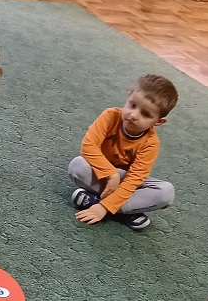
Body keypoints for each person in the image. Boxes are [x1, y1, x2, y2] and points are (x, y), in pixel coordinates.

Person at [69, 73, 178, 231]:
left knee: (166, 192)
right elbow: (88, 146)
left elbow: (133, 180)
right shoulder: (110, 116)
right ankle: (128, 211)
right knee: (77, 166)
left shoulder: (151, 144)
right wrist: (111, 174)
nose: (133, 115)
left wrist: (104, 208)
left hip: (126, 183)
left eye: (145, 114)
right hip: (103, 176)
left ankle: (97, 203)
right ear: (129, 95)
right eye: (132, 105)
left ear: (159, 122)